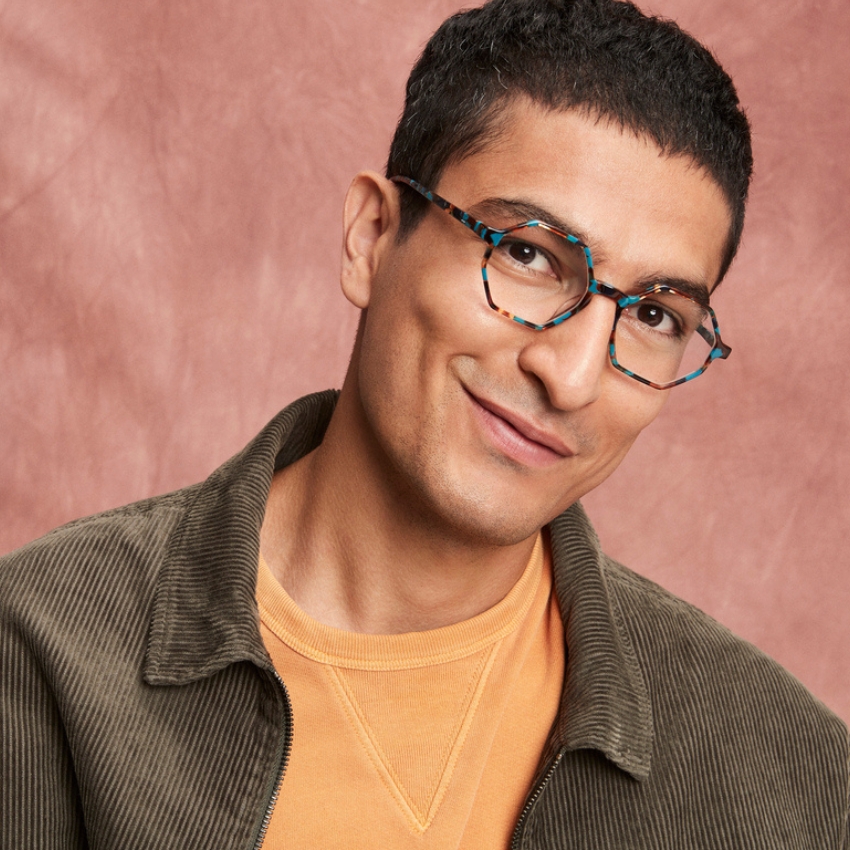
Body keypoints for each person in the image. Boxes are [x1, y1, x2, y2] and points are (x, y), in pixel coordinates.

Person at [1, 0, 848, 847]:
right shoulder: (44, 650)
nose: (573, 377)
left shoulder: (795, 782)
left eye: (656, 316)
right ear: (371, 237)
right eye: (527, 254)